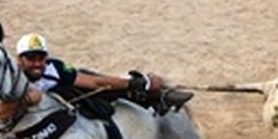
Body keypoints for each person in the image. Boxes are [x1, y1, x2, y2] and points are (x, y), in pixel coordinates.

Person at [14, 33, 191, 115]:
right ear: (20, 60)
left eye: (41, 58)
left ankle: (158, 96)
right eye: (31, 58)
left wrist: (134, 83)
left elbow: (94, 83)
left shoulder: (56, 68)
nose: (37, 64)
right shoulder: (12, 79)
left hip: (71, 102)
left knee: (103, 90)